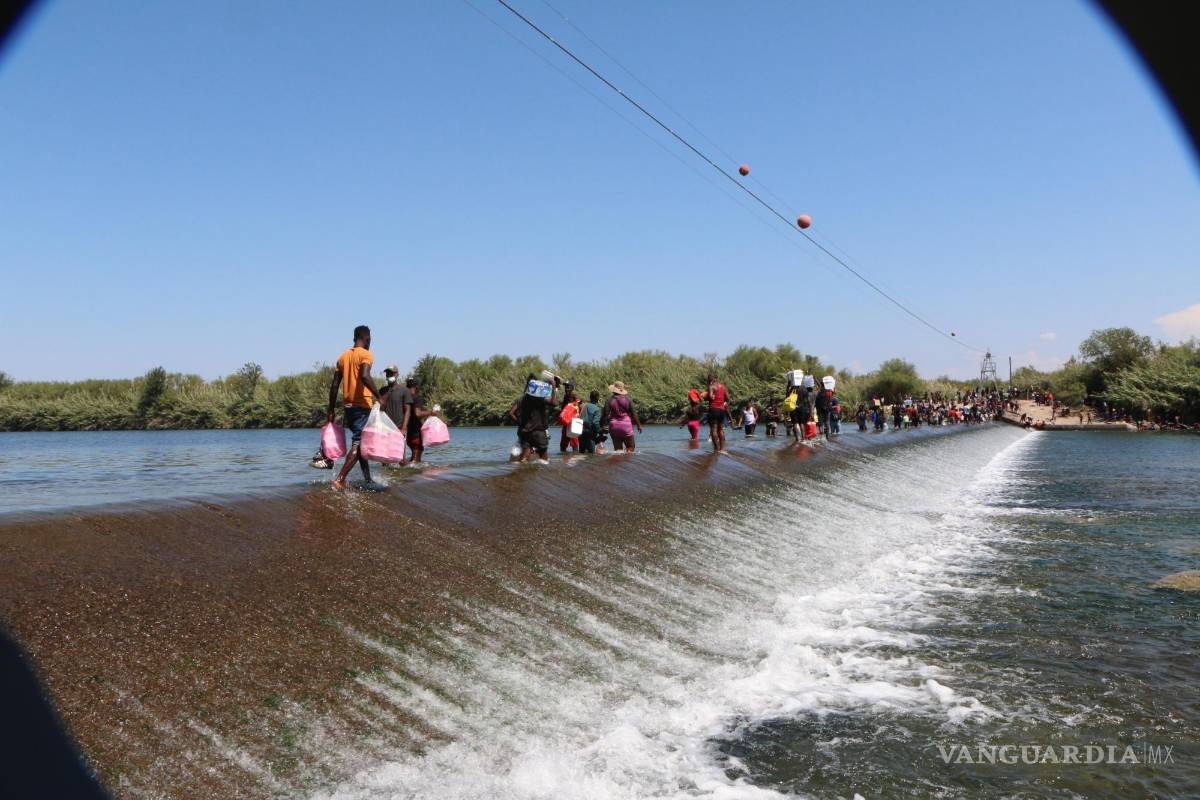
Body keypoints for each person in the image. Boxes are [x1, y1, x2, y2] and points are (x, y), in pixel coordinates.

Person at [327, 325, 380, 489]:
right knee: (359, 443)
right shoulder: (366, 354)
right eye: (370, 339)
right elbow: (365, 375)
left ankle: (368, 479)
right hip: (362, 406)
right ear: (366, 338)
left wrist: (331, 410)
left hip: (348, 408)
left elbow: (334, 385)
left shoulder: (343, 357)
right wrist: (379, 397)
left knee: (360, 441)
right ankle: (340, 479)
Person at [508, 373, 559, 462]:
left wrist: (520, 423)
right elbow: (554, 403)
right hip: (538, 431)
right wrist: (554, 387)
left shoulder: (522, 399)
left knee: (525, 456)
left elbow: (511, 413)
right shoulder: (539, 399)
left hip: (525, 432)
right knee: (544, 457)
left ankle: (519, 468)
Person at [377, 364, 410, 465]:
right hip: (385, 428)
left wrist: (404, 428)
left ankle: (407, 474)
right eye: (387, 373)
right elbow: (379, 409)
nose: (389, 375)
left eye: (391, 373)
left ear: (397, 374)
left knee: (401, 460)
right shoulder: (382, 390)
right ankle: (387, 475)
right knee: (384, 459)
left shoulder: (404, 390)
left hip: (399, 427)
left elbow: (408, 410)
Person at [602, 381, 643, 452]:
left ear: (614, 390)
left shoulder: (609, 400)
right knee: (631, 447)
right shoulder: (628, 400)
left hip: (614, 426)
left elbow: (605, 414)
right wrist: (639, 425)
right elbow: (634, 414)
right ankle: (628, 458)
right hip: (626, 426)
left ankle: (619, 459)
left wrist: (602, 425)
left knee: (618, 450)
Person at [404, 378, 437, 464]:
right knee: (416, 456)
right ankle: (412, 470)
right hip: (416, 431)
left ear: (407, 386)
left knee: (414, 453)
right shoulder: (417, 398)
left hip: (408, 431)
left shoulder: (404, 398)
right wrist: (431, 412)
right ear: (416, 386)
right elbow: (418, 413)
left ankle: (408, 470)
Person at [702, 372, 729, 452]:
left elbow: (710, 397)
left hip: (713, 409)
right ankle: (722, 449)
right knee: (720, 429)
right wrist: (721, 400)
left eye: (708, 378)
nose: (708, 380)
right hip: (722, 410)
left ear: (712, 379)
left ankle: (716, 449)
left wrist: (705, 396)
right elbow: (727, 398)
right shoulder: (723, 387)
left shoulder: (711, 386)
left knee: (713, 430)